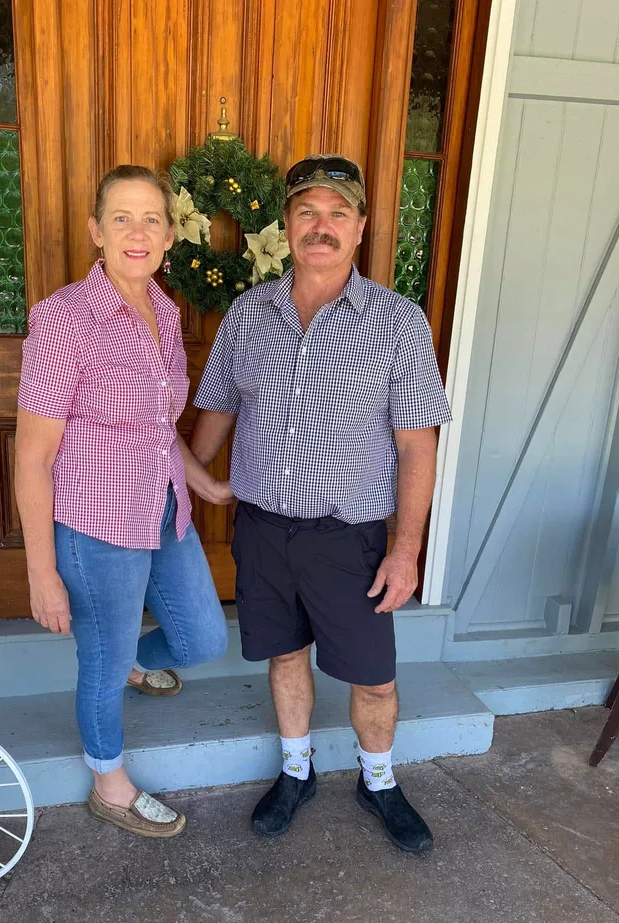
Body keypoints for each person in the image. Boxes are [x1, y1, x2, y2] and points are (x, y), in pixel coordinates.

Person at [191, 154, 451, 853]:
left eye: (339, 213)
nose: (322, 225)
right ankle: (297, 771)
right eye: (308, 211)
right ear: (288, 225)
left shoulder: (398, 323)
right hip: (264, 532)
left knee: (374, 677)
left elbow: (417, 448)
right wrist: (184, 474)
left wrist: (405, 549)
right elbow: (213, 412)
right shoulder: (249, 315)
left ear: (361, 227)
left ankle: (379, 780)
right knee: (284, 658)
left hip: (352, 539)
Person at [15, 165, 231, 839]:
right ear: (95, 231)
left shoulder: (164, 311)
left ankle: (136, 661)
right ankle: (109, 783)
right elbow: (32, 456)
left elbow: (158, 428)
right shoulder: (63, 321)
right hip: (94, 522)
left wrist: (204, 483)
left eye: (151, 219)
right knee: (101, 666)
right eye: (121, 218)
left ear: (169, 235)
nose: (137, 232)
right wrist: (41, 572)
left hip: (162, 507)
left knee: (202, 638)